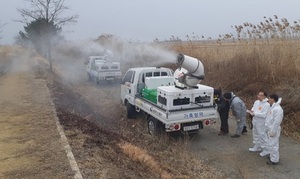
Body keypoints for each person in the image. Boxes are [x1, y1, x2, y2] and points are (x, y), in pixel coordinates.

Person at [260, 94, 283, 165]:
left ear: (273, 99)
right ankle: (272, 156)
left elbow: (277, 121)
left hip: (273, 129)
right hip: (269, 128)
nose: (268, 100)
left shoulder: (278, 109)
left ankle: (274, 160)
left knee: (273, 144)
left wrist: (273, 131)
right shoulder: (272, 107)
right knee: (271, 143)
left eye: (269, 98)